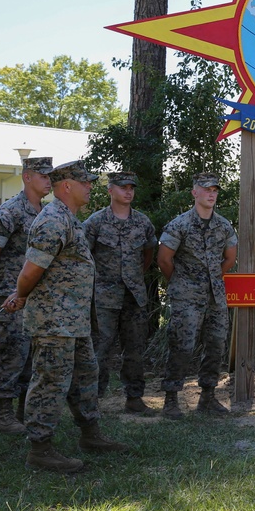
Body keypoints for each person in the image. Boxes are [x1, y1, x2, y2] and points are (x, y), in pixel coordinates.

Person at [4, 160, 128, 472]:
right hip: (54, 320)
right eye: (85, 182)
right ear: (67, 186)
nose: (90, 187)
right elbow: (31, 270)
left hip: (74, 320)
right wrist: (19, 295)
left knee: (85, 378)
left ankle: (91, 435)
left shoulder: (69, 219)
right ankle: (40, 448)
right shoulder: (53, 221)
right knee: (50, 382)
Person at [157, 173, 238, 420]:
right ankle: (171, 399)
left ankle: (208, 397)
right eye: (206, 189)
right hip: (186, 297)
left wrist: (212, 277)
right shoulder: (179, 224)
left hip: (215, 296)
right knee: (182, 345)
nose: (211, 194)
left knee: (216, 345)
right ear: (194, 193)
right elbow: (164, 259)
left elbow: (230, 258)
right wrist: (183, 282)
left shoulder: (223, 225)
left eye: (215, 190)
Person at [0, 156, 53, 435]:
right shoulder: (10, 211)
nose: (48, 181)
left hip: (38, 297)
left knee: (32, 356)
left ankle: (25, 410)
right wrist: (1, 285)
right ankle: (4, 413)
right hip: (10, 296)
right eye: (43, 176)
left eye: (50, 177)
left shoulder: (46, 212)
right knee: (12, 352)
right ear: (27, 177)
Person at [83, 171, 157, 413]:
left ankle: (134, 398)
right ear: (110, 190)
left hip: (134, 297)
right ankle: (93, 399)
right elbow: (85, 257)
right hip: (103, 298)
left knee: (135, 349)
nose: (128, 191)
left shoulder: (143, 222)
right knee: (99, 349)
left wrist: (133, 276)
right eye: (123, 187)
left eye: (132, 187)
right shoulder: (95, 223)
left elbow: (148, 254)